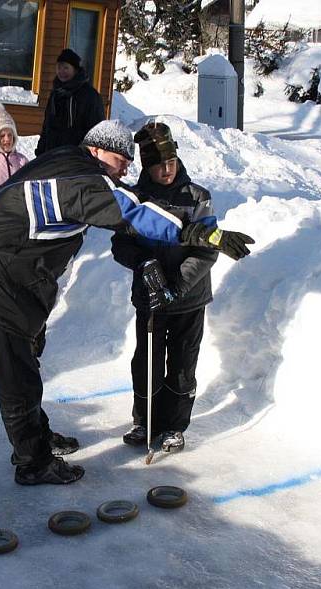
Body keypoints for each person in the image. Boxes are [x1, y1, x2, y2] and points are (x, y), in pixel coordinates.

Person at [0, 119, 254, 486]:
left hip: (4, 275)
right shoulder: (84, 180)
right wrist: (202, 233)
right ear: (96, 150)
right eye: (121, 160)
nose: (125, 169)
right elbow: (131, 213)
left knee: (25, 361)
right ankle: (32, 461)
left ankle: (36, 438)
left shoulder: (68, 163)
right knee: (18, 376)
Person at [111, 122, 218, 454]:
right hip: (150, 299)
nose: (166, 170)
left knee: (183, 363)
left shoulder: (197, 197)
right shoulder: (137, 200)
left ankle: (174, 425)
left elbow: (206, 249)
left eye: (170, 163)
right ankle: (146, 421)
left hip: (188, 298)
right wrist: (144, 264)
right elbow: (121, 244)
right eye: (158, 166)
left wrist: (178, 286)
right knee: (147, 361)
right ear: (147, 166)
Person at [35, 48, 105, 157]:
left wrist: (87, 154)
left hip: (77, 158)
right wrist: (40, 150)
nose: (61, 71)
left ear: (75, 70)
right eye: (59, 67)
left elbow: (97, 129)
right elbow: (47, 126)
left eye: (66, 68)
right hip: (52, 155)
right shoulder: (55, 94)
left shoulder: (89, 95)